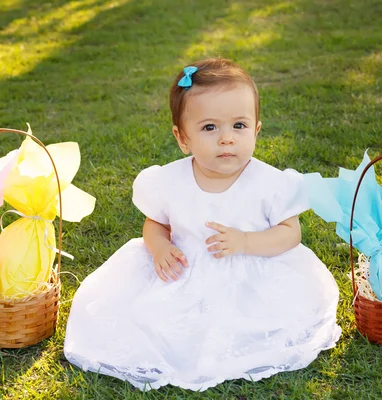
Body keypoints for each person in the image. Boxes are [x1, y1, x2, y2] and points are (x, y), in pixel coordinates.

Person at [64, 57, 341, 391]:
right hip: (186, 269)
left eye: (238, 126)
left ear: (256, 130)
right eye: (210, 128)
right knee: (153, 321)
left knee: (253, 324)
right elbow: (155, 224)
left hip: (250, 271)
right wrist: (160, 247)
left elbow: (290, 234)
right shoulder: (169, 181)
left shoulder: (271, 183)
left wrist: (246, 242)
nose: (226, 138)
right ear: (183, 139)